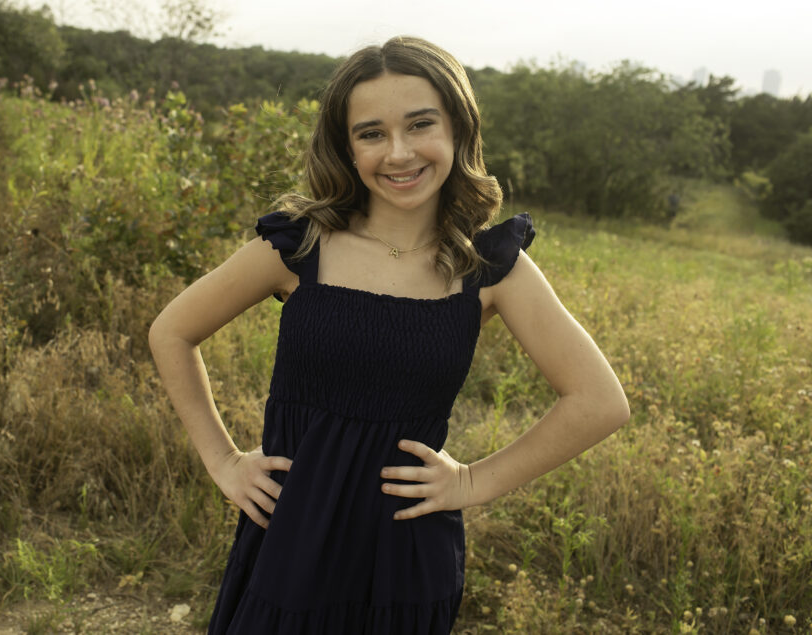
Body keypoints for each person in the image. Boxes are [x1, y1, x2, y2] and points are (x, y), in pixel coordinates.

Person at [148, 36, 630, 634]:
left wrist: (473, 481)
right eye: (371, 133)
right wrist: (222, 460)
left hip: (407, 553)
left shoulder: (488, 266)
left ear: (458, 128)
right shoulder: (299, 246)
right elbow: (172, 331)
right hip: (291, 539)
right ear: (346, 147)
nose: (398, 153)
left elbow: (599, 401)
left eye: (420, 124)